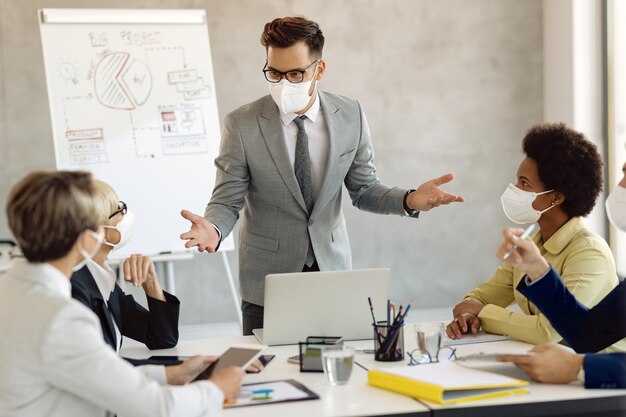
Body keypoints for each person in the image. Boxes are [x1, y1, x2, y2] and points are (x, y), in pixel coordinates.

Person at [179, 16, 463, 335]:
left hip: (332, 273)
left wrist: (410, 199)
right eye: (274, 73)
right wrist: (215, 230)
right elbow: (227, 201)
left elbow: (364, 189)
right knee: (267, 377)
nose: (284, 83)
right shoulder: (242, 124)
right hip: (268, 282)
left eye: (296, 73)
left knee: (334, 371)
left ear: (320, 70)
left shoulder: (350, 114)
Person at [0, 171, 243, 417]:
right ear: (87, 240)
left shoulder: (12, 289)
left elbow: (96, 372)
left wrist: (172, 373)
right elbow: (158, 407)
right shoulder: (61, 317)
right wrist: (217, 389)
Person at [446, 123, 626, 353]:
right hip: (549, 366)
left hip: (595, 378)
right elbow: (481, 296)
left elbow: (548, 332)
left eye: (524, 184)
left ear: (556, 197)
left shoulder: (589, 252)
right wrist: (469, 314)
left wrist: (483, 313)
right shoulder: (532, 245)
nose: (515, 189)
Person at [494, 161, 626, 388]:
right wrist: (537, 269)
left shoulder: (589, 247)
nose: (620, 187)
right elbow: (589, 334)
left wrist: (580, 367)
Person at [71, 180, 179, 353]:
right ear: (97, 228)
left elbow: (162, 338)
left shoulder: (102, 277)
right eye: (118, 209)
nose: (124, 215)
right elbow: (97, 365)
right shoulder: (76, 287)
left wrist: (151, 283)